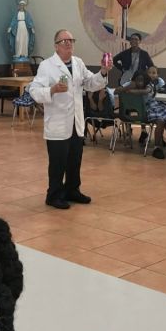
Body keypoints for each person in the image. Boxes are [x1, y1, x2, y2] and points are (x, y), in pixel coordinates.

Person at [29, 30, 109, 209]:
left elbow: (90, 83)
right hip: (58, 122)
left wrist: (103, 72)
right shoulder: (47, 66)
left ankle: (72, 189)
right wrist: (52, 90)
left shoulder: (78, 63)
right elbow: (33, 91)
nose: (68, 43)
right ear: (56, 46)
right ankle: (54, 195)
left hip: (76, 121)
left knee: (75, 158)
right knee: (58, 161)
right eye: (63, 41)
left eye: (71, 40)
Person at [117, 71, 166, 160]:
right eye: (137, 80)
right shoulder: (129, 84)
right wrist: (128, 86)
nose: (139, 82)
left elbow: (143, 91)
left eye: (141, 80)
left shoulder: (149, 86)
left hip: (158, 105)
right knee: (160, 122)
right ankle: (157, 148)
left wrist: (129, 90)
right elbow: (116, 91)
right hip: (147, 109)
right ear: (134, 80)